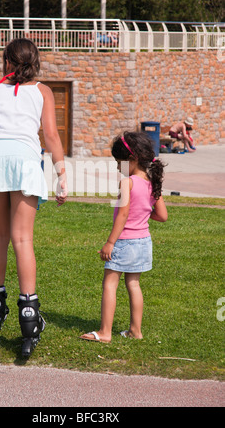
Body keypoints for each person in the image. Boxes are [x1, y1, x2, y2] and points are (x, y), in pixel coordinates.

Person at [0, 38, 67, 358]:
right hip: (24, 160)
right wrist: (61, 174)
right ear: (34, 62)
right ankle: (29, 316)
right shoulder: (43, 91)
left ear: (7, 61)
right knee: (22, 240)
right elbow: (50, 136)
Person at [80, 131, 167, 343]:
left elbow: (123, 215)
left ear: (132, 159)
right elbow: (163, 216)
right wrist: (144, 214)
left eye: (119, 162)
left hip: (124, 242)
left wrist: (110, 242)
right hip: (143, 242)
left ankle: (105, 332)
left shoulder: (127, 183)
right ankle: (135, 331)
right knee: (134, 285)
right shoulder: (152, 183)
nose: (118, 167)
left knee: (110, 284)